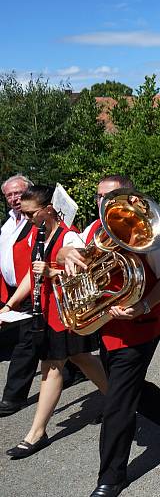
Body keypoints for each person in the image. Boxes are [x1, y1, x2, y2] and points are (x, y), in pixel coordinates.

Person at [58, 175, 160, 497]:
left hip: (139, 327)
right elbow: (69, 249)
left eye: (111, 196)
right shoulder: (93, 230)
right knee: (128, 388)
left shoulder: (145, 232)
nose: (102, 202)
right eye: (98, 196)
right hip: (107, 327)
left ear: (129, 198)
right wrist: (66, 254)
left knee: (118, 402)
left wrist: (145, 303)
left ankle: (111, 477)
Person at [1, 186, 108, 459]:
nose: (26, 219)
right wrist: (10, 304)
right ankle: (119, 400)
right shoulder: (38, 236)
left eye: (30, 213)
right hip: (47, 311)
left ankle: (37, 432)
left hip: (65, 312)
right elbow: (31, 275)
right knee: (82, 358)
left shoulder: (69, 236)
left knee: (51, 367)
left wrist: (52, 271)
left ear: (48, 209)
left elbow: (83, 272)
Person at [0, 175, 39, 417]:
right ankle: (74, 370)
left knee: (26, 342)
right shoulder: (7, 224)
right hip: (12, 289)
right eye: (9, 195)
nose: (14, 198)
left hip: (32, 288)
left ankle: (13, 397)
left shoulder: (36, 221)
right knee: (52, 341)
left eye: (18, 193)